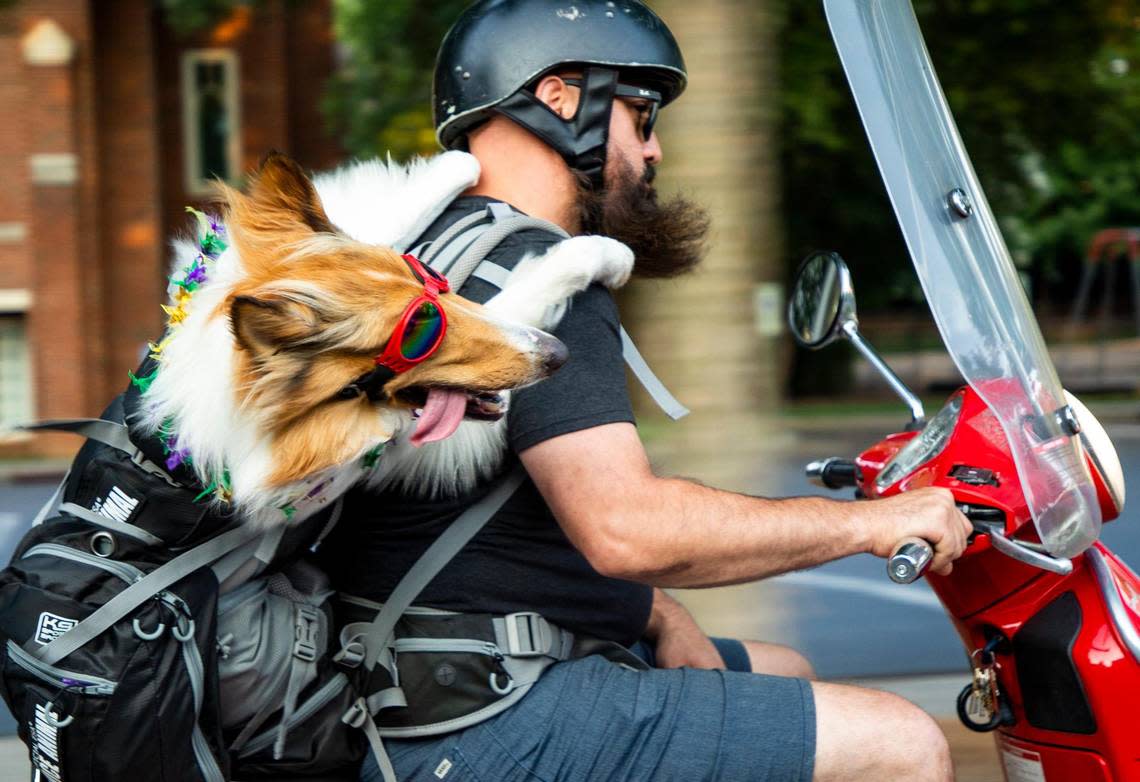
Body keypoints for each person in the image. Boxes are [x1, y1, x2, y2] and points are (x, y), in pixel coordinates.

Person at [318, 1, 973, 779]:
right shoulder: (542, 280)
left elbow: (480, 514)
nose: (655, 147)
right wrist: (873, 524)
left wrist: (658, 610)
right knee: (904, 745)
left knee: (782, 667)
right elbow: (625, 529)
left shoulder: (436, 262)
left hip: (405, 687)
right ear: (561, 98)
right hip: (480, 719)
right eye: (639, 115)